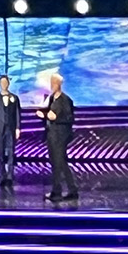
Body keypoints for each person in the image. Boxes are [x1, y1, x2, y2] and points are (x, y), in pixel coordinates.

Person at [43, 72, 77, 201]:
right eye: (51, 83)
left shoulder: (65, 100)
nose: (52, 85)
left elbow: (69, 118)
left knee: (60, 163)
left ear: (59, 84)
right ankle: (67, 190)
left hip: (61, 136)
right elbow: (49, 114)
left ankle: (60, 191)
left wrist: (56, 118)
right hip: (52, 135)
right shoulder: (52, 99)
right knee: (57, 163)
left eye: (55, 83)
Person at [0, 75, 22, 187]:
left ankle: (10, 176)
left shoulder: (15, 98)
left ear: (8, 83)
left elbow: (18, 114)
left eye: (5, 82)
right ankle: (2, 175)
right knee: (0, 152)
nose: (4, 84)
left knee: (11, 151)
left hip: (11, 128)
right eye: (2, 82)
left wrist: (18, 128)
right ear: (0, 84)